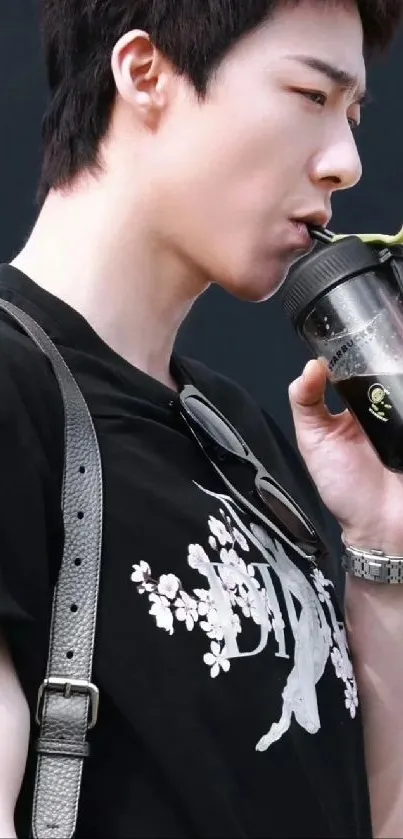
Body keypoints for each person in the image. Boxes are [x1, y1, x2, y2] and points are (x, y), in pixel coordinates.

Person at [0, 0, 402, 836]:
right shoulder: (14, 392)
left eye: (354, 113)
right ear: (145, 74)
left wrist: (378, 545)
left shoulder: (238, 432)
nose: (345, 162)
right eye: (308, 96)